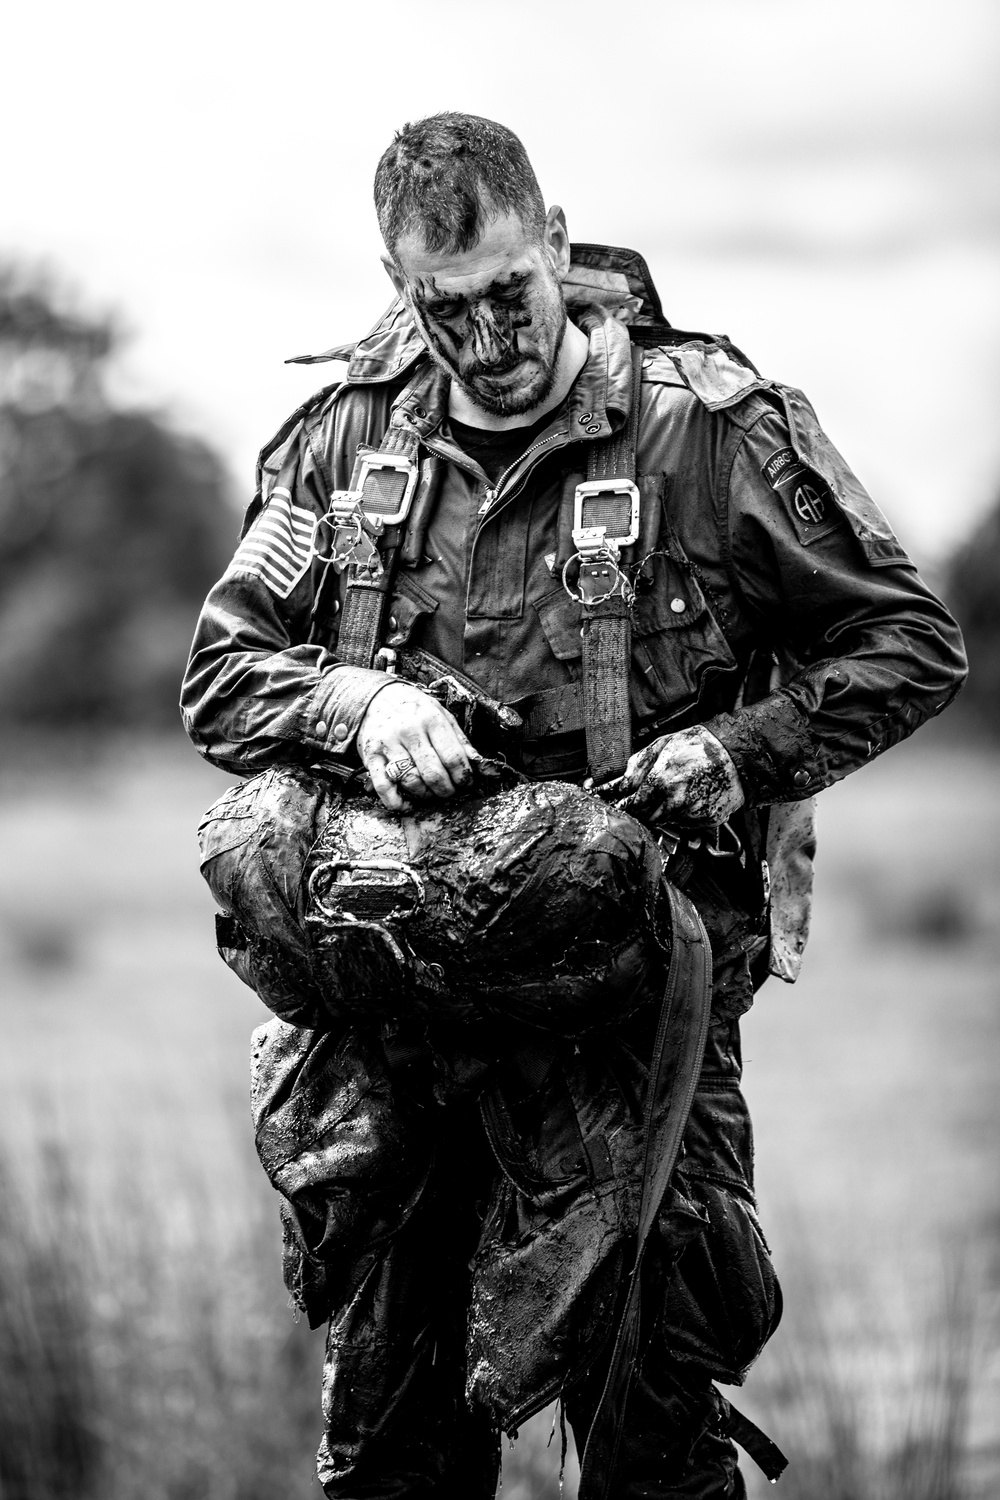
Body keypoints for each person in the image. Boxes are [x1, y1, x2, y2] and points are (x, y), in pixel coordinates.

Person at [181, 113, 967, 1499]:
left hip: (635, 1040)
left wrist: (739, 751)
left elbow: (910, 644)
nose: (485, 341)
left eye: (507, 296)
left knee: (654, 1449)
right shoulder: (340, 443)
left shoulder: (712, 435)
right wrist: (364, 708)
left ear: (557, 243)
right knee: (389, 1460)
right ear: (394, 279)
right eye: (444, 310)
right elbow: (221, 678)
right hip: (393, 1047)